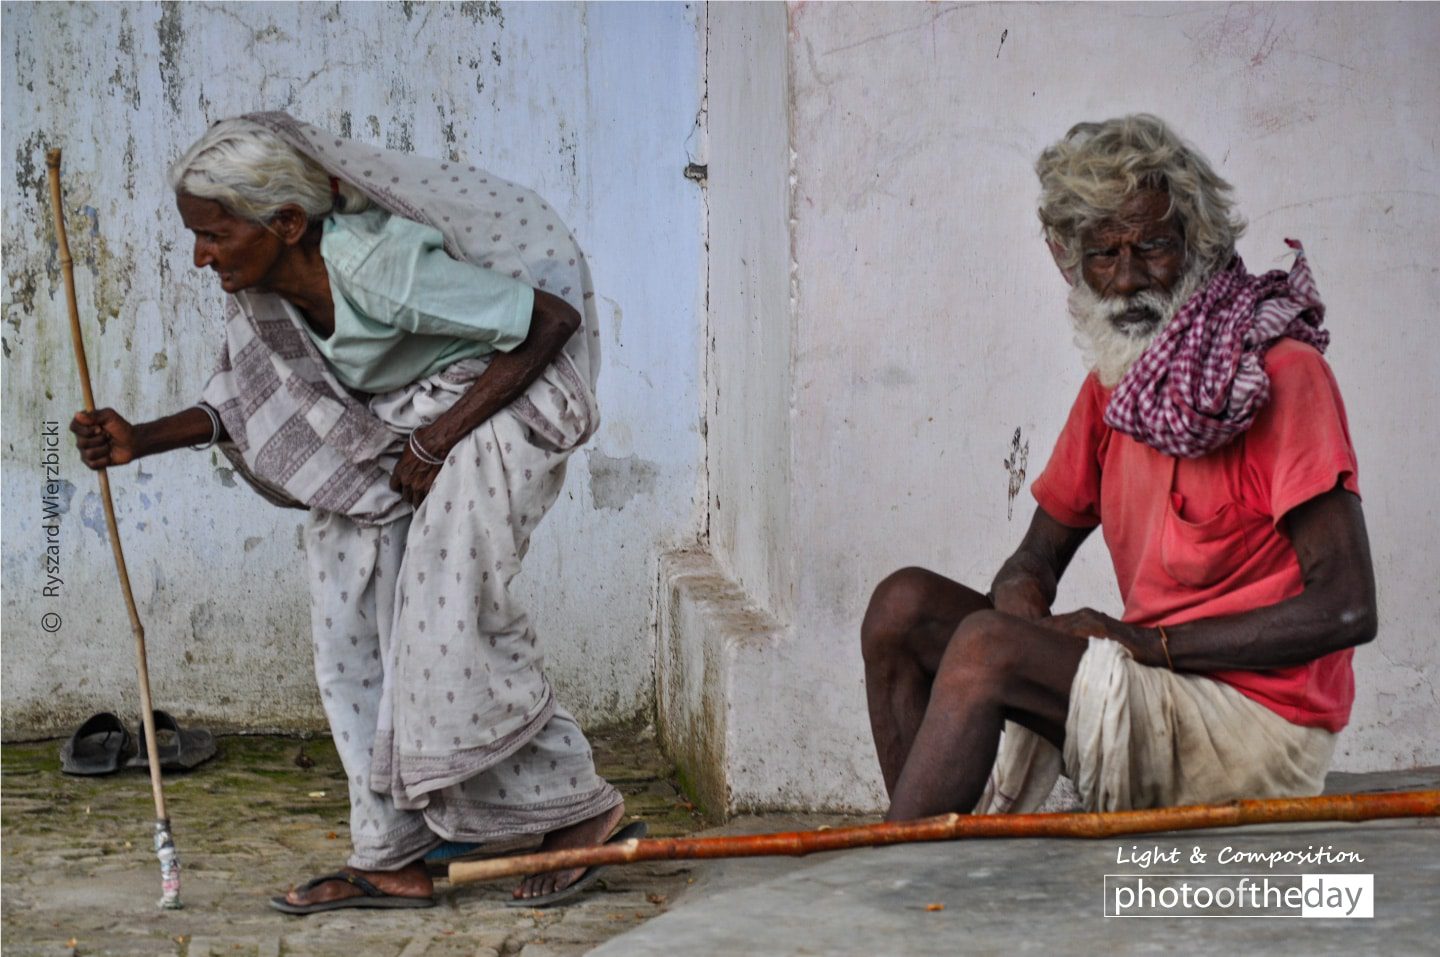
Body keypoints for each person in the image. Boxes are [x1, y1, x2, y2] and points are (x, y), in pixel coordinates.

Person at [70, 113, 637, 911]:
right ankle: (394, 848)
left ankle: (579, 808)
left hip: (504, 405)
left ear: (286, 222)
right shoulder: (264, 291)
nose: (201, 255)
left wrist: (438, 439)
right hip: (403, 432)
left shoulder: (379, 266)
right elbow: (246, 400)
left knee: (447, 613)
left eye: (214, 234)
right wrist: (138, 439)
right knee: (347, 619)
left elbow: (548, 321)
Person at [860, 114, 1376, 821]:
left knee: (984, 649)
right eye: (1104, 253)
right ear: (1074, 265)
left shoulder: (1284, 374)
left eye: (1153, 246)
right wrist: (1021, 605)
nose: (1128, 278)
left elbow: (1348, 606)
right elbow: (1033, 560)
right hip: (1151, 688)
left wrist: (1145, 642)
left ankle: (892, 869)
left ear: (1198, 243)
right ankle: (924, 849)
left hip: (1258, 723)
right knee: (902, 607)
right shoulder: (1115, 389)